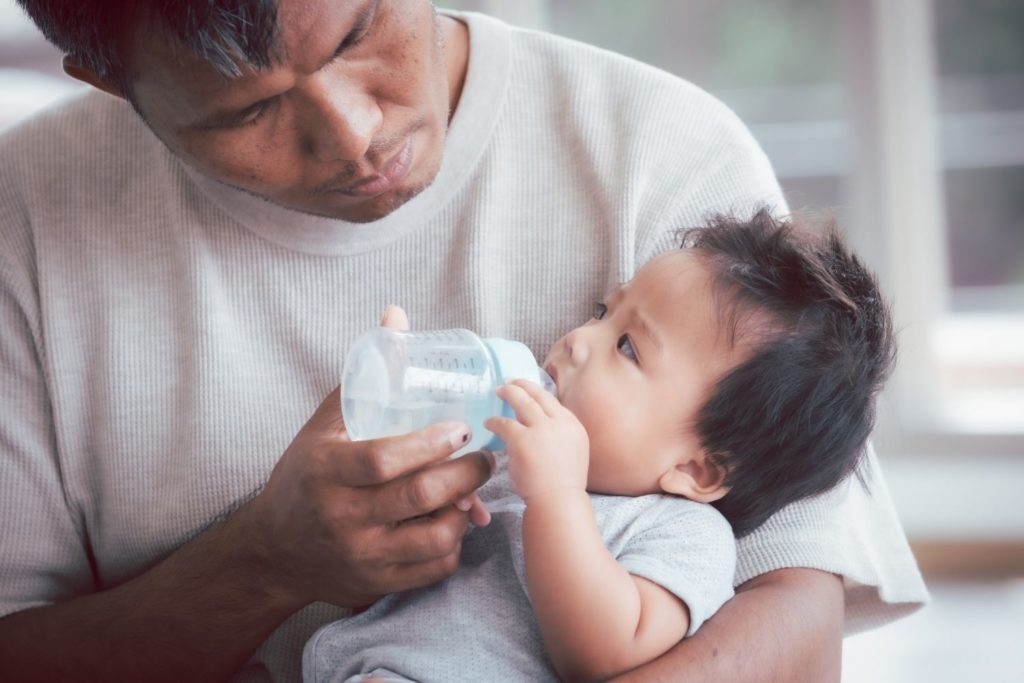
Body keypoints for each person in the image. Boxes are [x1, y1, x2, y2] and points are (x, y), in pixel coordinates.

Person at [0, 2, 927, 681]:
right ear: (113, 82)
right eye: (249, 112)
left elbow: (796, 618)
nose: (354, 137)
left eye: (357, 33)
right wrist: (261, 566)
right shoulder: (29, 219)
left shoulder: (666, 160)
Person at [303, 210, 898, 683]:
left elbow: (598, 655)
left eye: (628, 348)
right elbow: (392, 594)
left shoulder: (682, 536)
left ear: (697, 468)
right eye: (602, 313)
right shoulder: (509, 462)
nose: (580, 339)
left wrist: (557, 496)